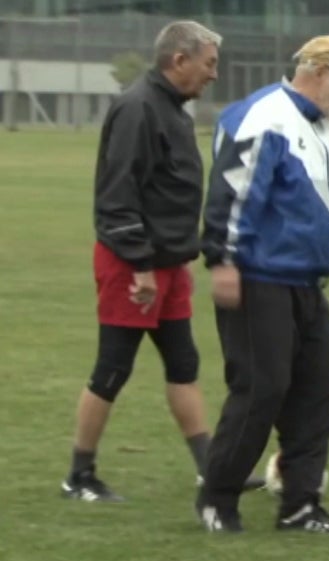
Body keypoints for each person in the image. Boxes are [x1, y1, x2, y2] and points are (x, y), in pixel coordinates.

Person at [61, 21, 252, 502]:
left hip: (167, 266)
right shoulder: (137, 109)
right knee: (112, 368)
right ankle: (79, 477)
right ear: (179, 60)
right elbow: (117, 194)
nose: (213, 74)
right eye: (208, 64)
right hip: (134, 267)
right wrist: (141, 265)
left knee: (184, 363)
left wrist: (175, 258)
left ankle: (211, 469)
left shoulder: (172, 110)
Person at [196, 34, 329, 534]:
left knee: (316, 394)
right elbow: (232, 191)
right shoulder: (264, 116)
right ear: (320, 71)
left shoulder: (325, 135)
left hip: (306, 284)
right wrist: (224, 261)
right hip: (257, 279)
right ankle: (217, 498)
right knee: (261, 389)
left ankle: (301, 506)